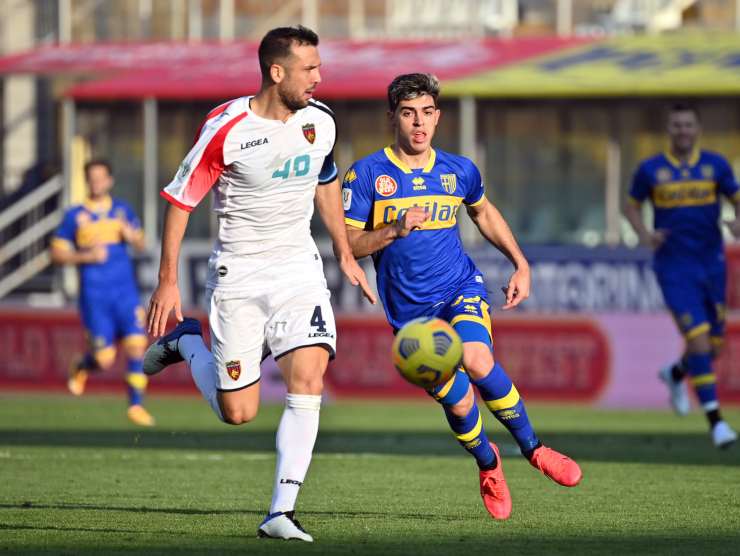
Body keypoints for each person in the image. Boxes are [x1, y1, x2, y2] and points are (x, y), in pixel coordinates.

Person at [142, 26, 375, 542]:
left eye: (319, 66)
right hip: (239, 276)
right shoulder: (226, 127)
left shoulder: (321, 121)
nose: (319, 77)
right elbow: (182, 201)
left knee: (308, 378)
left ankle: (280, 512)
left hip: (298, 269)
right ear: (276, 72)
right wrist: (167, 282)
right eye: (309, 69)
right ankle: (185, 342)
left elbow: (326, 181)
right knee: (238, 412)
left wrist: (342, 249)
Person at [341, 73, 582, 521]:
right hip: (410, 315)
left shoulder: (459, 170)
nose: (419, 123)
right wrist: (393, 229)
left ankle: (534, 449)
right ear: (392, 116)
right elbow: (347, 242)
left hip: (459, 289)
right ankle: (489, 466)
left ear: (438, 117)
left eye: (427, 113)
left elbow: (484, 213)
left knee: (477, 359)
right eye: (409, 113)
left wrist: (520, 263)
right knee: (460, 402)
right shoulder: (368, 173)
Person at [624, 102, 740, 449]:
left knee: (713, 345)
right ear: (669, 130)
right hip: (674, 267)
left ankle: (675, 374)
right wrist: (646, 235)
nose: (683, 131)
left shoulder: (716, 165)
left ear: (697, 129)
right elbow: (630, 206)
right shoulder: (651, 169)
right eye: (677, 125)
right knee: (701, 340)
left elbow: (737, 198)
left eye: (688, 125)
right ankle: (716, 422)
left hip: (712, 264)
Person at [50, 159, 153, 427]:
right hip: (95, 297)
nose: (96, 182)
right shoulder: (75, 216)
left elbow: (142, 245)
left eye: (101, 177)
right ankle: (83, 365)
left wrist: (133, 238)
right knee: (104, 359)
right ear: (87, 181)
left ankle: (135, 406)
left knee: (136, 345)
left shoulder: (122, 210)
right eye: (91, 178)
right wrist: (85, 256)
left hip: (125, 293)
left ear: (109, 181)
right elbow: (57, 254)